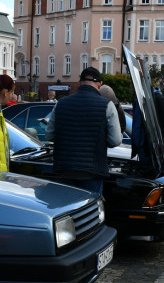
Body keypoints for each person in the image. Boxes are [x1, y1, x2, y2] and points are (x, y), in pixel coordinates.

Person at [46, 67, 122, 195]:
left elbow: (49, 135)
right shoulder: (107, 105)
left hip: (64, 168)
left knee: (65, 212)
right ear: (100, 84)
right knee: (88, 211)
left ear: (79, 82)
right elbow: (115, 140)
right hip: (92, 171)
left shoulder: (61, 103)